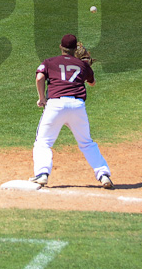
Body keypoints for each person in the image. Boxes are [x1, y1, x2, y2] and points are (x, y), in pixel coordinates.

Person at [29, 34, 113, 189]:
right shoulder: (82, 65)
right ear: (76, 49)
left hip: (55, 106)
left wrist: (41, 98)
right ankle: (103, 175)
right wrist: (86, 67)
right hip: (77, 106)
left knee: (43, 142)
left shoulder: (49, 62)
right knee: (87, 143)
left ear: (61, 47)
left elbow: (39, 77)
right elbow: (92, 83)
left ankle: (42, 175)